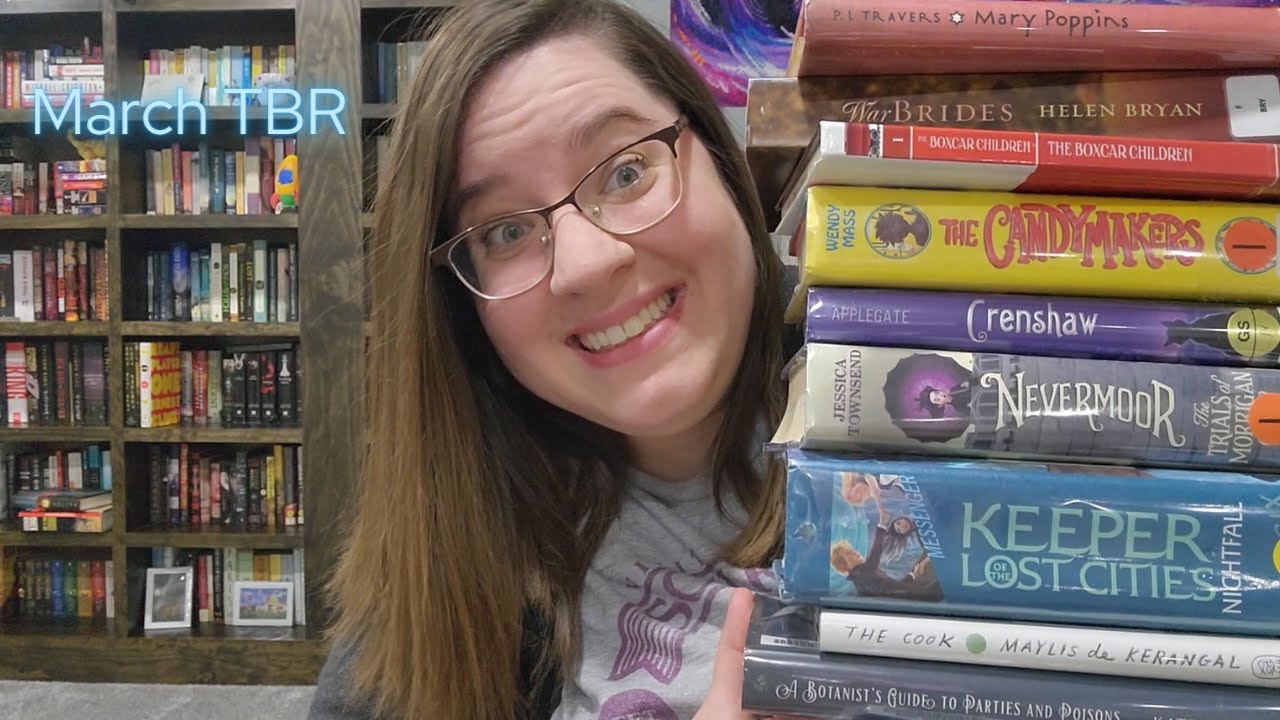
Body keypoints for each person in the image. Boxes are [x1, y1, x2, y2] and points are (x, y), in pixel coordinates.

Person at [306, 0, 804, 718]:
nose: (585, 264)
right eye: (505, 232)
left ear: (723, 164)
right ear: (462, 310)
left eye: (626, 172)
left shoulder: (923, 386)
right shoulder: (453, 547)